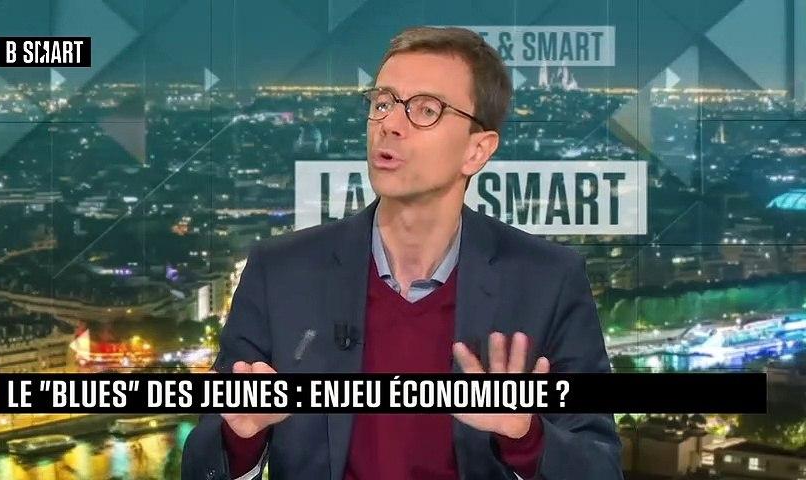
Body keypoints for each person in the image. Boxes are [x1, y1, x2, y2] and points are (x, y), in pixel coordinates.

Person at [182, 26, 623, 480]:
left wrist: (525, 436)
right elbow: (201, 465)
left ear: (477, 151)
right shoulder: (279, 273)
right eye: (383, 103)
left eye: (426, 110)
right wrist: (240, 438)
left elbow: (601, 468)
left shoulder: (548, 281)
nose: (390, 124)